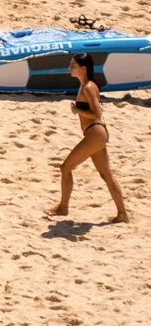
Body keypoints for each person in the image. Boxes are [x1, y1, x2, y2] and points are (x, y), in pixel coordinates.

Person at [50, 49, 132, 222]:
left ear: (84, 68)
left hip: (95, 133)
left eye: (73, 65)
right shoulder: (86, 85)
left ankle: (63, 208)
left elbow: (96, 113)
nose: (69, 67)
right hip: (96, 134)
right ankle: (122, 214)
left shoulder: (88, 87)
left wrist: (76, 109)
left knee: (65, 168)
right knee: (106, 174)